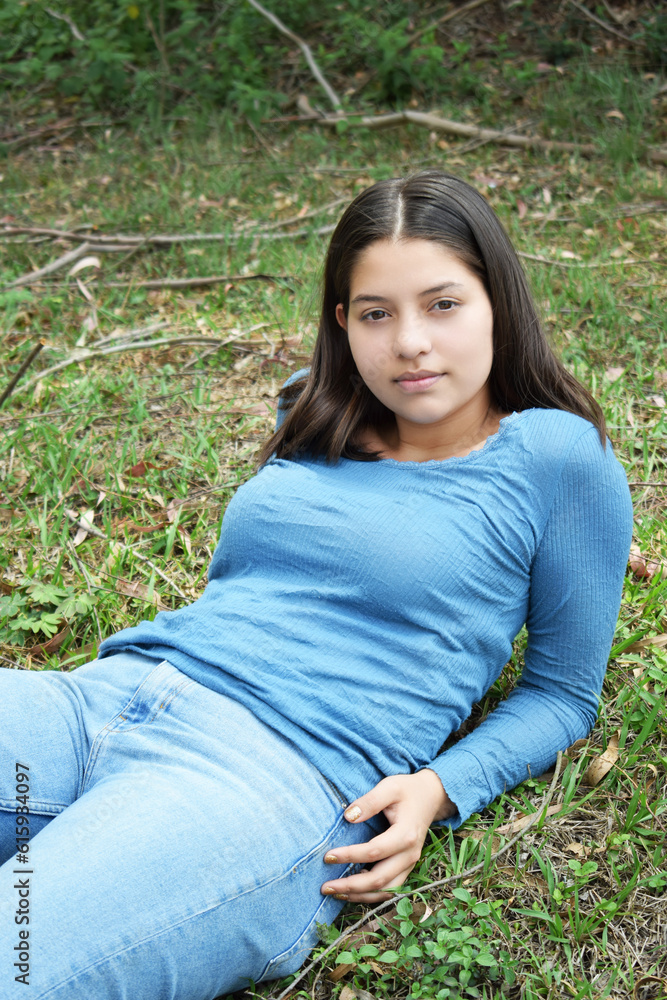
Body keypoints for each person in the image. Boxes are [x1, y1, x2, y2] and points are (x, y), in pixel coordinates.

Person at [0, 172, 632, 1000]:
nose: (408, 342)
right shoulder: (313, 407)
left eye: (442, 304)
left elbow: (561, 694)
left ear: (497, 305)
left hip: (261, 779)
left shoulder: (556, 456)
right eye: (375, 313)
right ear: (343, 322)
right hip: (99, 700)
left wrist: (440, 789)